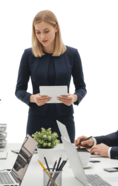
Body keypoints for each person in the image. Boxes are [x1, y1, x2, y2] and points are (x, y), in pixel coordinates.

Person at [15, 8, 87, 142]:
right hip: (36, 120)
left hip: (65, 120)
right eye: (38, 32)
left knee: (65, 160)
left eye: (46, 31)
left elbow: (82, 87)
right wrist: (32, 98)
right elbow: (19, 90)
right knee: (34, 161)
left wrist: (74, 98)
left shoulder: (73, 53)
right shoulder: (28, 54)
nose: (42, 37)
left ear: (56, 28)